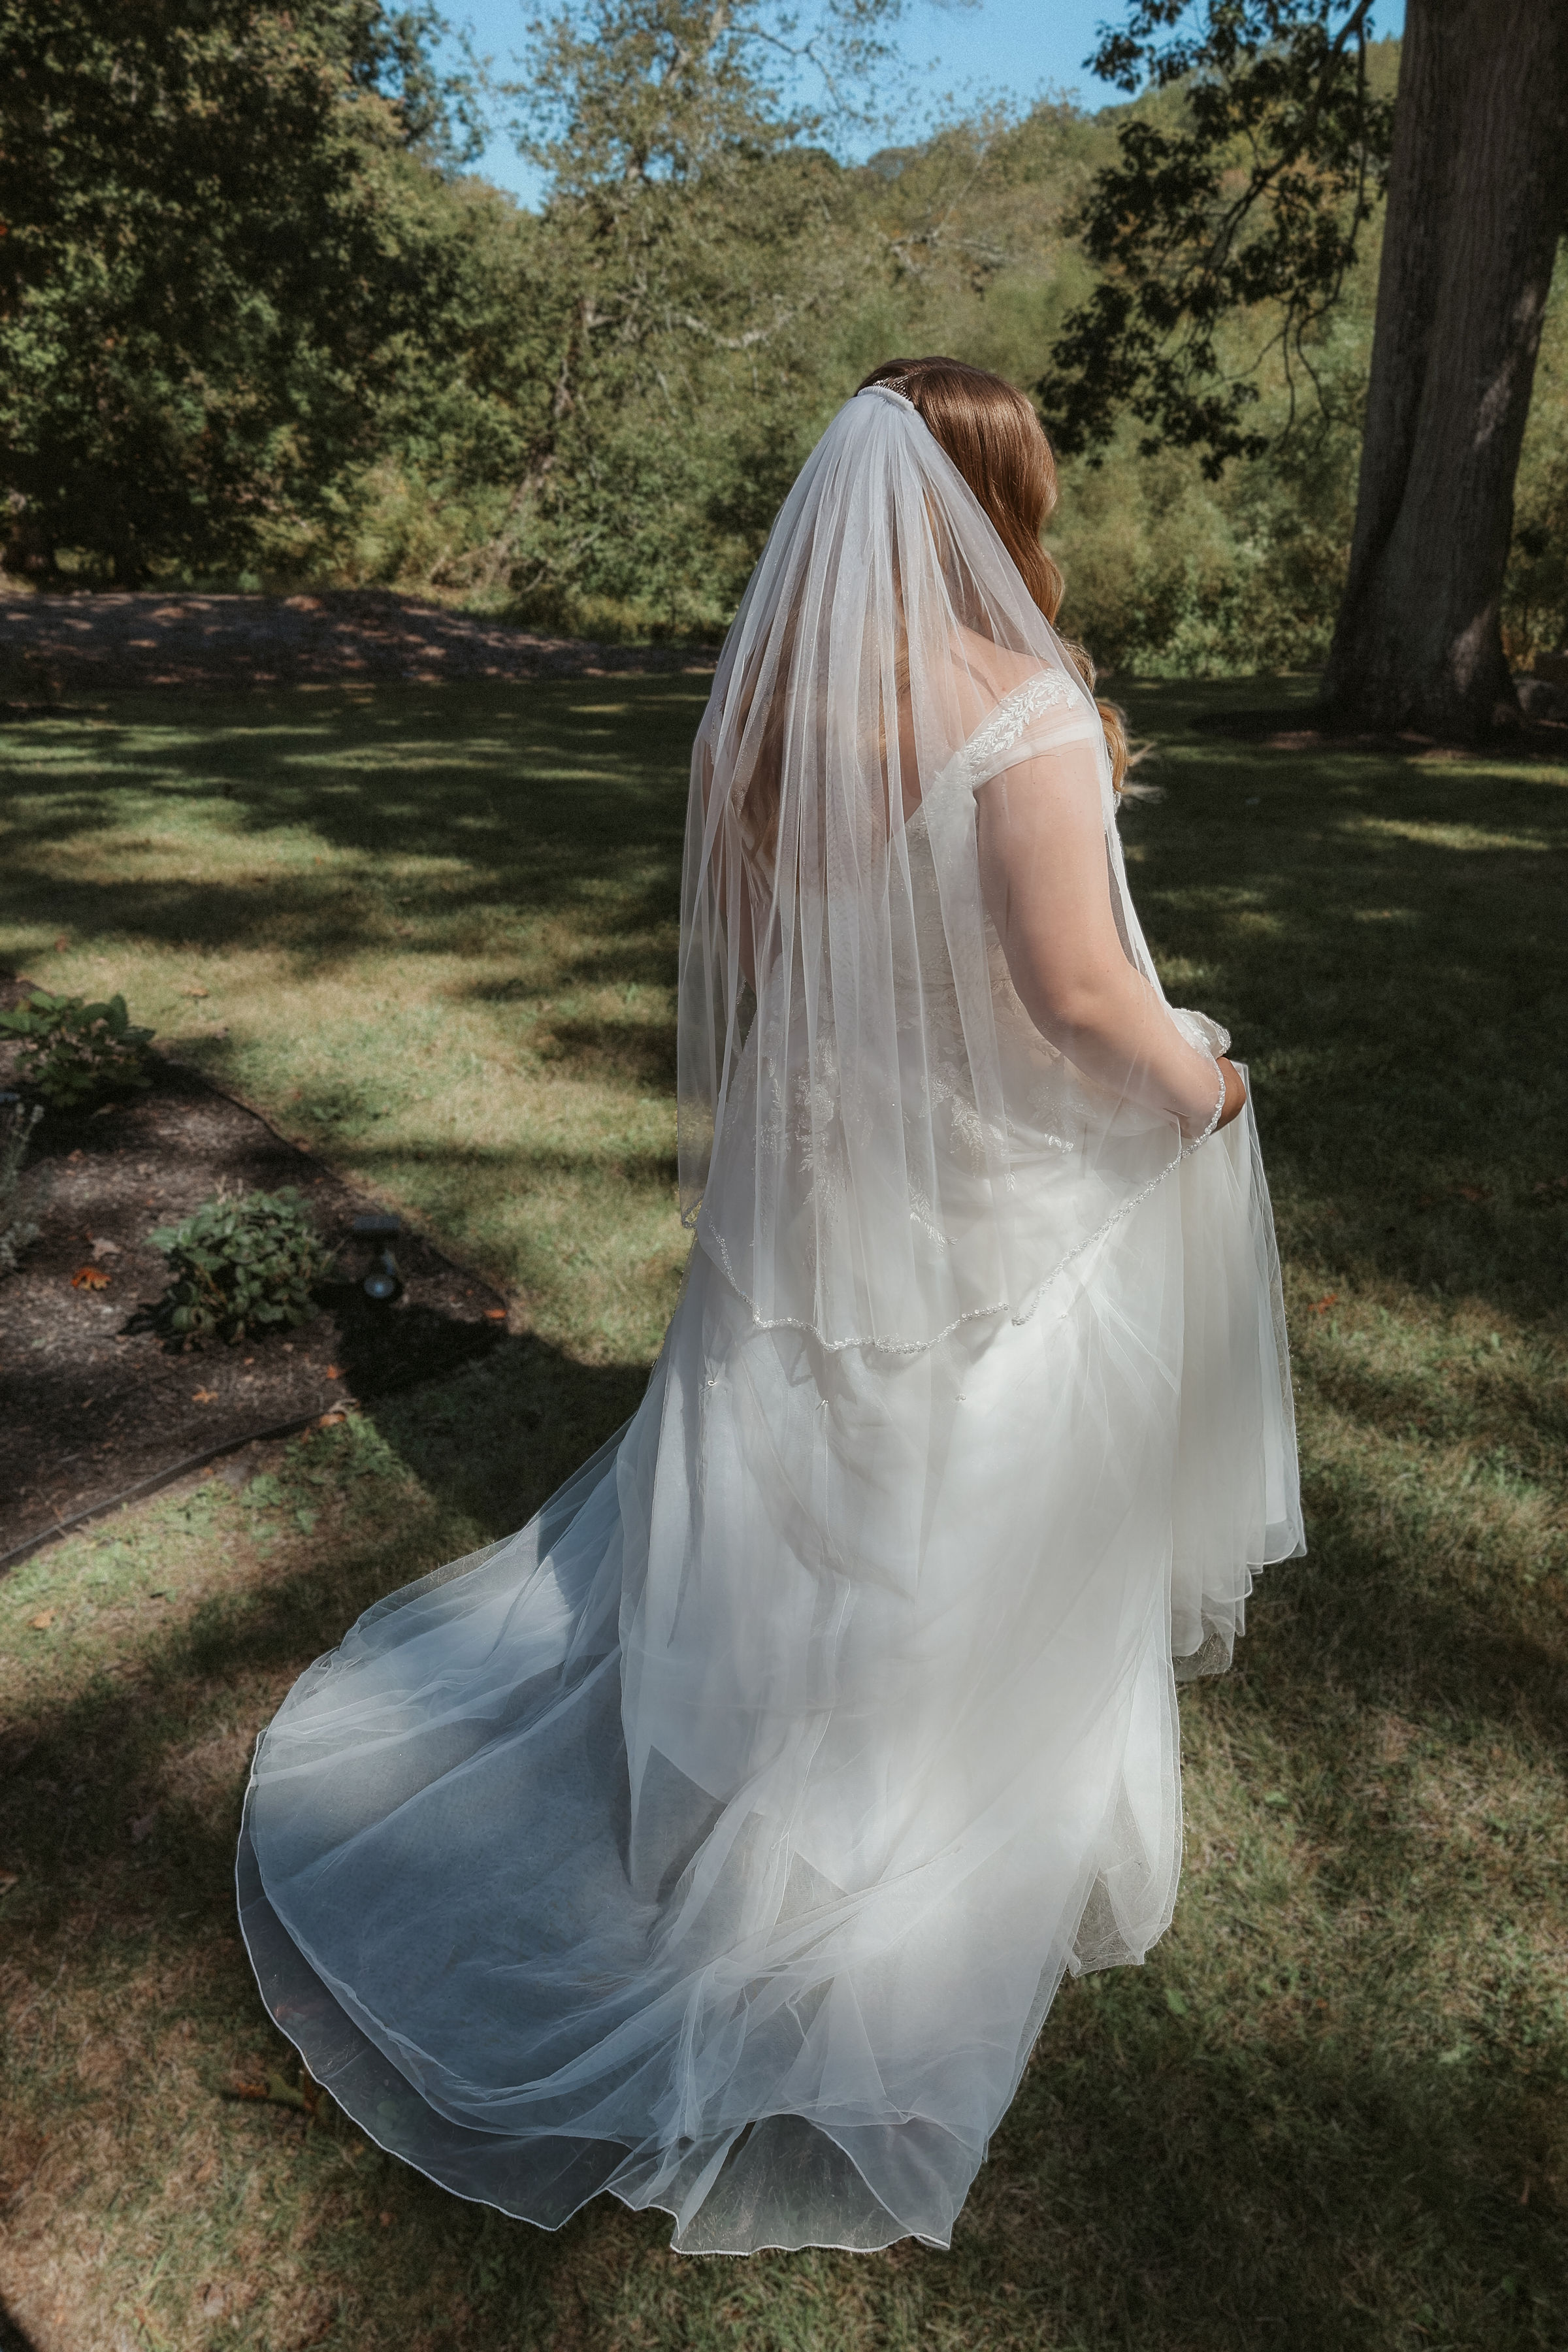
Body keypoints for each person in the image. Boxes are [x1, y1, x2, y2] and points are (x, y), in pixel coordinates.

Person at [237, 357, 1304, 2257]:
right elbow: (1072, 1000)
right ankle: (888, 1842)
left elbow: (790, 953)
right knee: (948, 1471)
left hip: (804, 1176)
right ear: (998, 501)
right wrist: (1207, 1084)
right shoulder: (1024, 706)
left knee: (793, 1467)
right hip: (964, 1186)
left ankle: (746, 1776)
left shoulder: (778, 708)